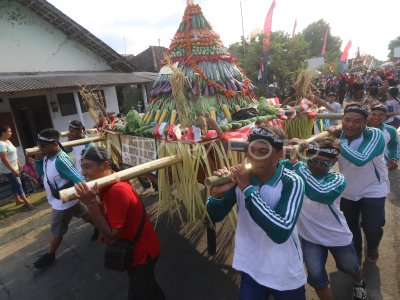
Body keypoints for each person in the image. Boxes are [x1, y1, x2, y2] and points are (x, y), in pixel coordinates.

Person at [206, 125, 306, 300]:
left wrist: (247, 188)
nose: (255, 157)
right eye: (251, 150)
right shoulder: (240, 178)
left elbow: (280, 232)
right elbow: (215, 216)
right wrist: (216, 195)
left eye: (263, 151)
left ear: (280, 155)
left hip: (284, 270)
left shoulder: (292, 181)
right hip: (251, 266)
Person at [74, 147, 165, 300]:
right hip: (140, 249)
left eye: (87, 167)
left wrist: (90, 204)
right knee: (151, 289)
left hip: (142, 253)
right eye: (82, 167)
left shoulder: (117, 190)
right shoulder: (109, 182)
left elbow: (112, 237)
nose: (83, 173)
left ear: (106, 166)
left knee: (142, 292)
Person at [284, 137, 367, 300]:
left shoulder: (337, 179)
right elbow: (273, 163)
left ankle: (359, 283)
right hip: (309, 237)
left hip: (336, 236)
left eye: (324, 163)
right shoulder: (299, 168)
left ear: (334, 161)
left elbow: (319, 193)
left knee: (349, 266)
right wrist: (289, 146)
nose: (317, 166)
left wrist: (297, 164)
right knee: (316, 278)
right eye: (313, 161)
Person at [328, 103, 388, 265]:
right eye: (347, 120)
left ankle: (373, 247)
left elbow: (360, 159)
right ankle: (356, 256)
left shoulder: (374, 134)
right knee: (350, 227)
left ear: (365, 122)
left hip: (374, 188)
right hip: (348, 189)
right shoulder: (339, 136)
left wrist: (336, 142)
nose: (351, 125)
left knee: (372, 227)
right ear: (342, 120)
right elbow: (327, 162)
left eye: (357, 122)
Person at [33, 128, 93, 269]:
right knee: (84, 213)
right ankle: (101, 228)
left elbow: (79, 179)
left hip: (63, 202)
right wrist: (37, 161)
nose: (39, 148)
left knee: (56, 229)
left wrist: (88, 195)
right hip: (61, 199)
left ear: (54, 143)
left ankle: (50, 254)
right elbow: (43, 174)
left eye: (42, 145)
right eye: (39, 144)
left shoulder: (61, 160)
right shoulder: (48, 156)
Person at [0, 125, 34, 209]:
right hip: (8, 168)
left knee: (13, 183)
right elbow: (4, 159)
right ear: (3, 133)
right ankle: (28, 203)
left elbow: (13, 153)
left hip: (14, 166)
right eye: (9, 131)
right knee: (18, 183)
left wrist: (18, 162)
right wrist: (13, 171)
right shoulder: (1, 144)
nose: (11, 133)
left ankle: (18, 199)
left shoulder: (7, 141)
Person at [367, 103, 399, 171]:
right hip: (361, 166)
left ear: (385, 116)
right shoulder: (360, 128)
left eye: (381, 115)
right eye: (374, 114)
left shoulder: (390, 130)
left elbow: (394, 146)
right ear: (370, 114)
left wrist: (394, 158)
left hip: (382, 166)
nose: (377, 117)